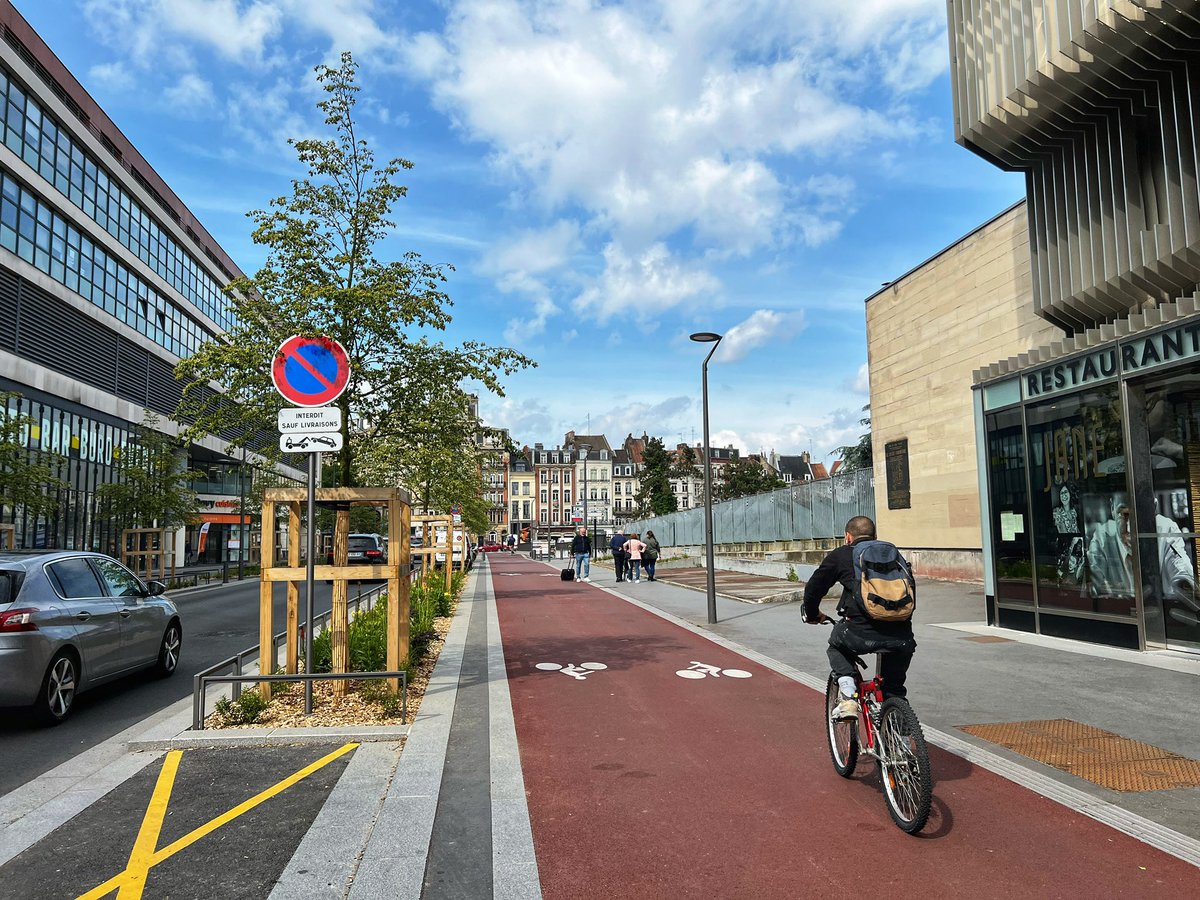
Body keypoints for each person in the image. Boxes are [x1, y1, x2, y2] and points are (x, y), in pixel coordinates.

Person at [803, 515, 916, 719]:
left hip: (860, 633)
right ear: (875, 536)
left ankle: (848, 695)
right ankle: (903, 740)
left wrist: (812, 614)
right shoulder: (894, 555)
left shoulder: (841, 555)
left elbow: (814, 588)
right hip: (902, 635)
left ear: (848, 537)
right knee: (894, 689)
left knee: (836, 646)